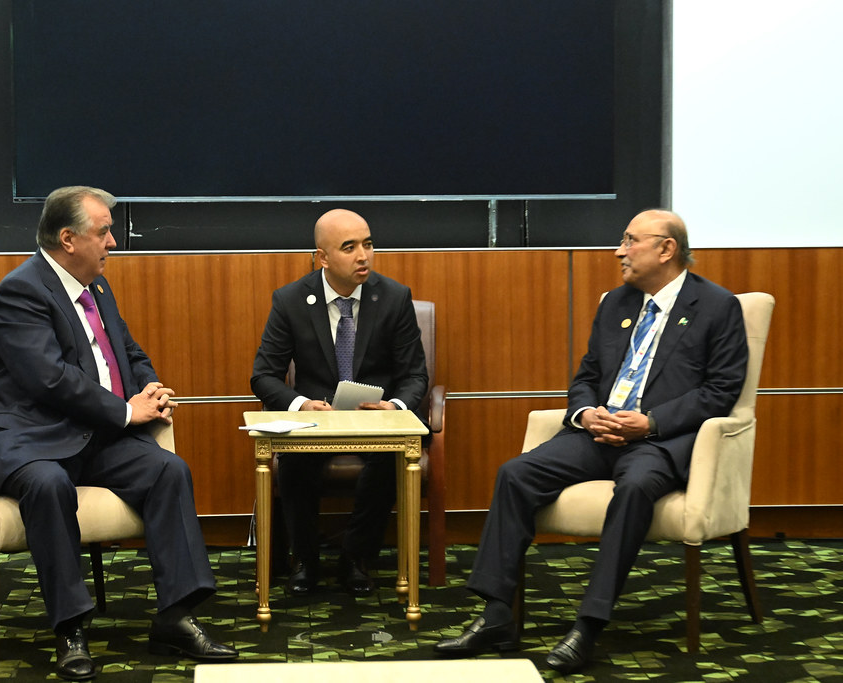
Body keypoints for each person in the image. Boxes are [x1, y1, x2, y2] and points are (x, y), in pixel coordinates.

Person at [434, 209, 749, 674]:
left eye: (630, 240)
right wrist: (585, 414)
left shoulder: (718, 307)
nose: (619, 251)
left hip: (658, 442)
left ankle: (588, 624)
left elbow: (720, 392)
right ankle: (498, 613)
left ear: (666, 248)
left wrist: (650, 423)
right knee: (516, 473)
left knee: (636, 487)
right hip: (598, 434)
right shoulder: (616, 303)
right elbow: (586, 376)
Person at [0, 186, 237, 680]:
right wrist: (125, 412)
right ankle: (71, 629)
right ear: (68, 239)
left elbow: (127, 352)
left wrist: (149, 388)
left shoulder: (95, 287)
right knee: (49, 485)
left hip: (90, 434)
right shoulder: (21, 291)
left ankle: (176, 615)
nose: (113, 241)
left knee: (167, 471)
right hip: (32, 437)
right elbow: (49, 379)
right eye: (104, 232)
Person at [250, 208, 429, 597]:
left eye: (368, 244)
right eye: (349, 247)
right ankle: (306, 560)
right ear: (323, 257)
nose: (363, 256)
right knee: (294, 460)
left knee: (389, 458)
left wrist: (395, 407)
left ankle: (356, 557)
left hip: (375, 422)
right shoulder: (291, 300)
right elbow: (263, 376)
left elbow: (415, 376)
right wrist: (301, 404)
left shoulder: (394, 297)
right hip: (318, 422)